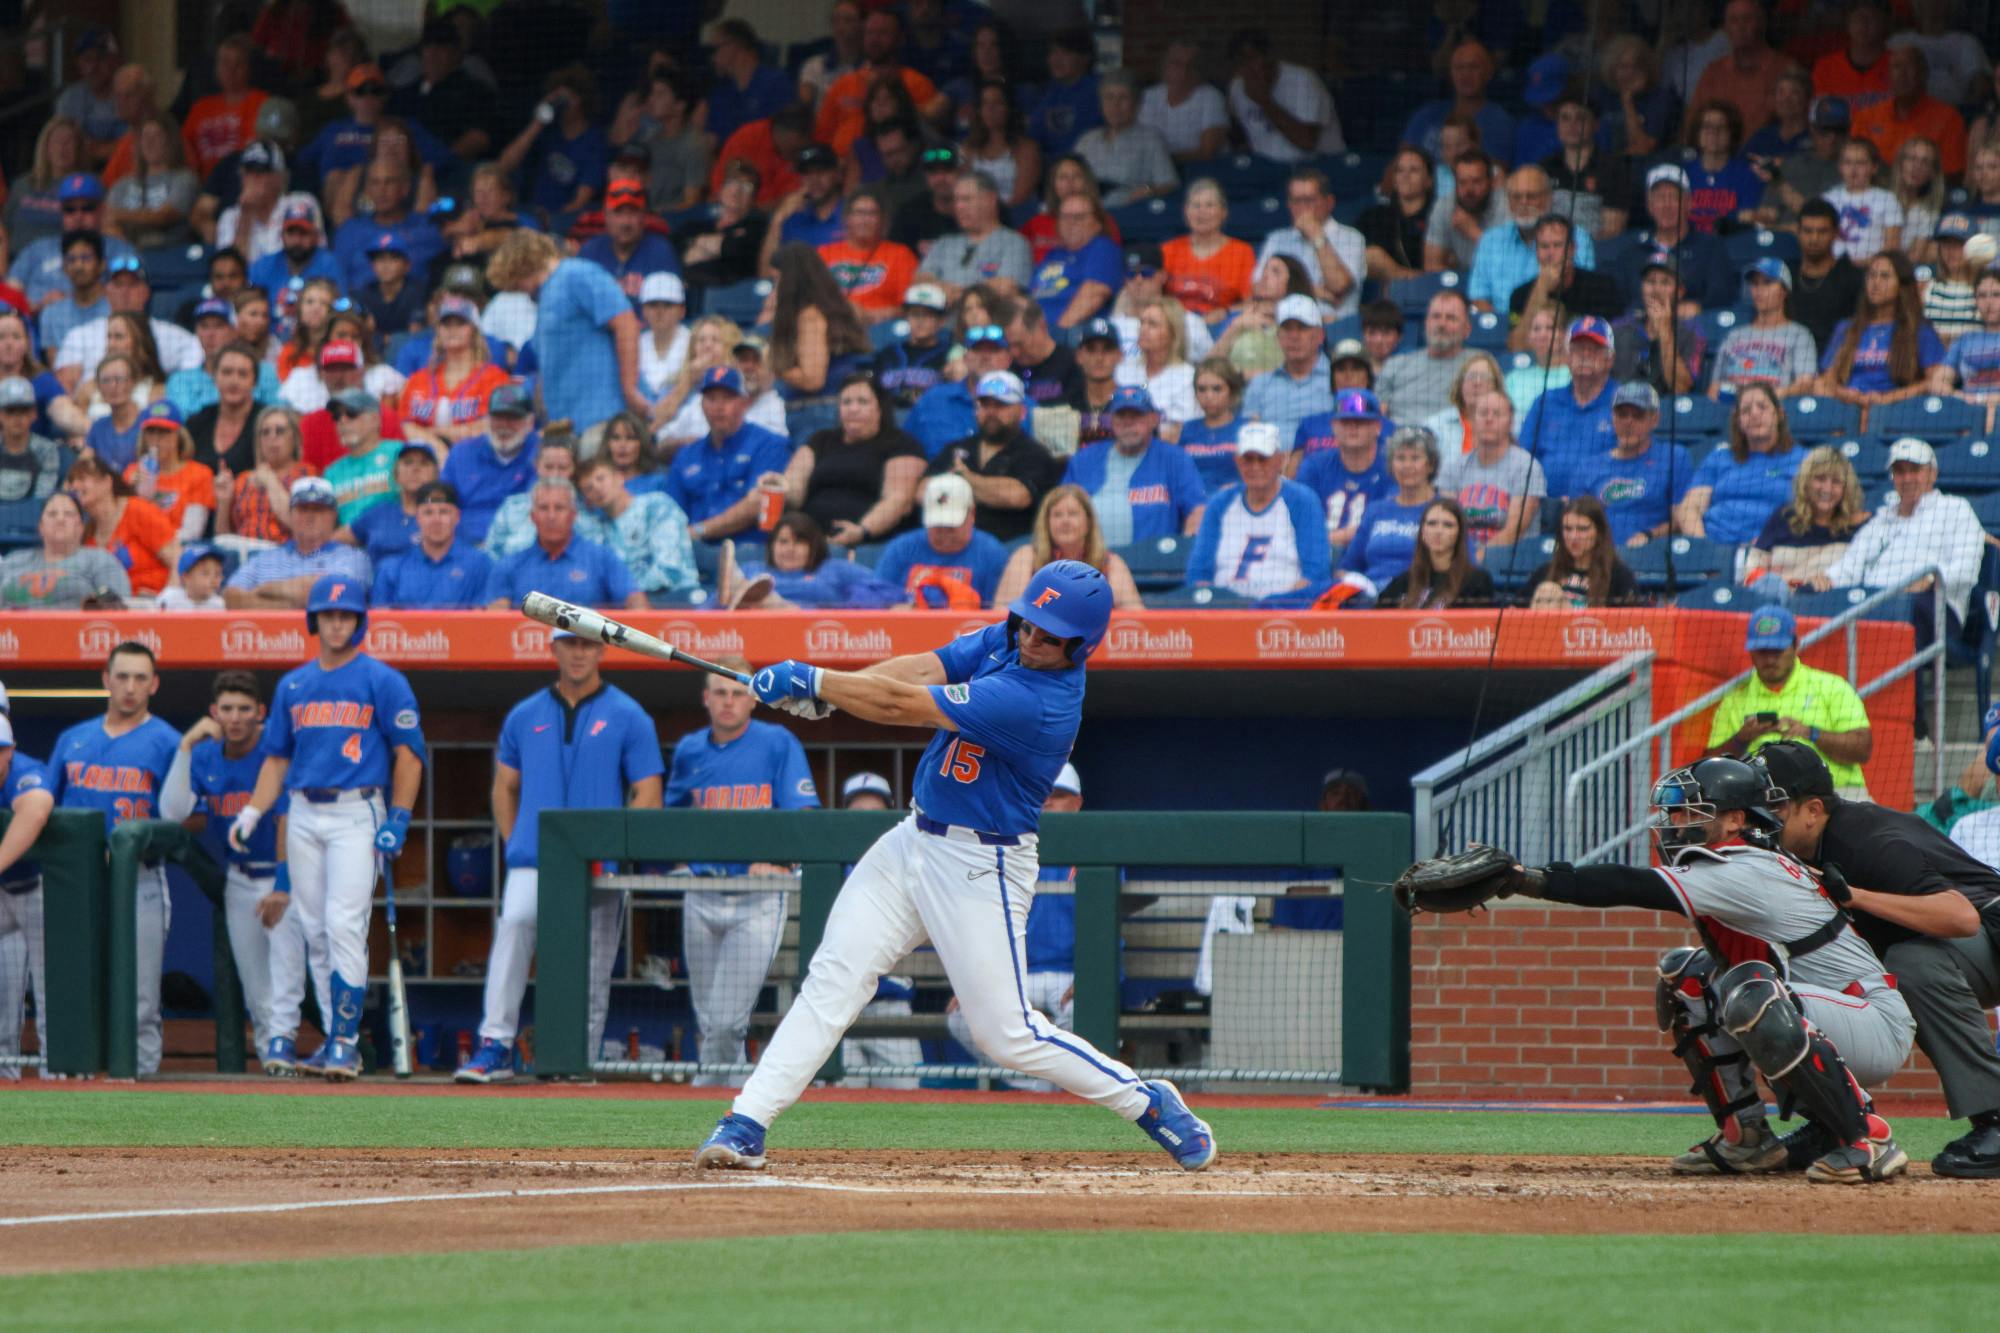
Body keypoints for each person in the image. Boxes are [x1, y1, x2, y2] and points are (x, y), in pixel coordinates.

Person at [698, 560, 1215, 1171]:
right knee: (834, 979)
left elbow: (901, 704)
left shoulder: (1040, 701)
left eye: (1049, 636)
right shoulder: (1011, 638)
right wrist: (833, 691)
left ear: (1081, 647)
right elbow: (922, 667)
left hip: (981, 863)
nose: (1031, 639)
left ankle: (1146, 1101)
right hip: (912, 839)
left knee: (1006, 1034)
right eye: (1028, 624)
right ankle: (746, 1121)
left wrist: (817, 681)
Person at [1400, 753, 1915, 1184]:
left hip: (1871, 1020)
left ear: (1735, 819)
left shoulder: (1744, 867)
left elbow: (1631, 886)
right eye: (1673, 814)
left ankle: (1869, 1138)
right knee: (1687, 977)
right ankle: (1748, 1139)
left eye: (1690, 812)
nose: (1674, 825)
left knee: (1747, 991)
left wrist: (1526, 879)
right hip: (1825, 1014)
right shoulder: (1739, 858)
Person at [1756, 738, 2000, 1179]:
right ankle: (1834, 1122)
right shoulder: (1797, 849)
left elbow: (1961, 917)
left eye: (1774, 807)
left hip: (1990, 924)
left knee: (1913, 964)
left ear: (1812, 810)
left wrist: (1857, 897)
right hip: (1965, 941)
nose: (1761, 819)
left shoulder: (1867, 838)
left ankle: (1995, 1118)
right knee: (1788, 978)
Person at [229, 578, 425, 1080]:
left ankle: (344, 1042)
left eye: (347, 615)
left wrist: (399, 818)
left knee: (343, 925)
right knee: (314, 930)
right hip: (303, 810)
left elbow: (409, 756)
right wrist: (253, 811)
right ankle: (339, 1041)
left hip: (357, 809)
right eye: (329, 615)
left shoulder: (382, 679)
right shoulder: (294, 683)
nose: (338, 623)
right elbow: (276, 759)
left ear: (359, 621)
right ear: (314, 620)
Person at [455, 630, 664, 1083]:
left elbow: (648, 792)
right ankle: (495, 1045)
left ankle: (577, 1056)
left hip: (599, 863)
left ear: (602, 650)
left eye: (588, 644)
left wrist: (616, 845)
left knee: (593, 964)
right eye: (570, 643)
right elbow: (503, 788)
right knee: (513, 929)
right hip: (536, 860)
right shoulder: (525, 713)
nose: (579, 652)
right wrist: (517, 842)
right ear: (554, 648)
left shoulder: (629, 714)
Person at [669, 660, 820, 1084]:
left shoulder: (776, 742)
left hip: (756, 896)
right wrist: (681, 862)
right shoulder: (689, 750)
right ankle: (731, 1096)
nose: (729, 701)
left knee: (726, 1020)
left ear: (753, 698)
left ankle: (708, 1092)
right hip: (703, 892)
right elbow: (671, 817)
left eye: (737, 692)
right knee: (709, 1019)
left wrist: (780, 860)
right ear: (706, 698)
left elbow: (803, 812)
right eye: (720, 692)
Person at [50, 643, 180, 1076]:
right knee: (77, 990)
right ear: (106, 679)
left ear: (155, 684)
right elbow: (46, 807)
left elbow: (184, 821)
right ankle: (74, 1084)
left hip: (139, 880)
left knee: (140, 996)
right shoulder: (73, 739)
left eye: (140, 678)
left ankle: (139, 1085)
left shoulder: (168, 741)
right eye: (121, 676)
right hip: (78, 887)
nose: (130, 687)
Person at [159, 673, 290, 1066]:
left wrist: (284, 883)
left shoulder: (275, 748)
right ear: (214, 713)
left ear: (260, 713)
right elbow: (172, 811)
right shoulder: (204, 754)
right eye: (227, 709)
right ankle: (274, 1063)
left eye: (244, 709)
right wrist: (184, 747)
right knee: (256, 987)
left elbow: (286, 818)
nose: (235, 718)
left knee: (293, 978)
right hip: (239, 878)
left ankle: (329, 1055)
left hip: (288, 876)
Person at [1811, 437, 1984, 635]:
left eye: (1915, 470)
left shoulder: (1955, 509)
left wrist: (1930, 579)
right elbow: (1850, 566)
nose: (1907, 478)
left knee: (1908, 608)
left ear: (1932, 474)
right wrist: (1828, 578)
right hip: (1874, 605)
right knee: (1820, 601)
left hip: (1932, 608)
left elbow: (1967, 570)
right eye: (1900, 471)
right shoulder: (1880, 520)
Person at [485, 230, 645, 443]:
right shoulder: (544, 299)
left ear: (523, 266)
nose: (520, 291)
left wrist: (630, 389)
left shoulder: (577, 273)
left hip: (602, 421)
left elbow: (626, 323)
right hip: (565, 428)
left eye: (516, 283)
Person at [1702, 605, 1874, 796]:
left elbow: (1862, 749)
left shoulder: (1832, 686)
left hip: (1837, 792)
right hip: (1763, 799)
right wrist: (1741, 739)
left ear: (1795, 645)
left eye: (1777, 650)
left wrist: (1811, 733)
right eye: (1762, 651)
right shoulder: (1734, 701)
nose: (1770, 660)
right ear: (1751, 652)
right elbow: (1710, 768)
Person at [1186, 423, 1329, 601]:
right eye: (1248, 459)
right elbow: (1198, 572)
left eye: (1262, 459)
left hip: (1283, 611)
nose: (1255, 467)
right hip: (1225, 610)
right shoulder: (1220, 503)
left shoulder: (1303, 501)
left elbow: (1315, 574)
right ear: (1237, 461)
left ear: (1280, 460)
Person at [920, 371, 1061, 544]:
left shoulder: (1034, 453)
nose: (992, 412)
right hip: (952, 543)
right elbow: (921, 492)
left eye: (1001, 405)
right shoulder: (958, 447)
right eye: (985, 404)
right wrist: (985, 490)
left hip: (1009, 546)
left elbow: (1017, 496)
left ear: (1022, 412)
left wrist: (962, 479)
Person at [1061, 385, 1206, 547]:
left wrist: (1186, 548)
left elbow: (1197, 510)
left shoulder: (1174, 459)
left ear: (1153, 419)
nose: (1128, 424)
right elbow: (1061, 510)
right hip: (1091, 564)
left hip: (1153, 565)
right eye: (1121, 416)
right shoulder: (1084, 460)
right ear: (1110, 420)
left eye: (1136, 416)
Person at [669, 367, 796, 547]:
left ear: (744, 403)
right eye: (711, 399)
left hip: (749, 548)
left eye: (728, 398)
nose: (719, 407)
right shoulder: (686, 456)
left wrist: (698, 531)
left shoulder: (769, 445)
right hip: (694, 552)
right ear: (701, 404)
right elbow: (672, 514)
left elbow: (758, 504)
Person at [1811, 250, 1945, 415]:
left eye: (1884, 276)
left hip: (1897, 411)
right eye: (1871, 275)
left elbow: (1936, 380)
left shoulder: (1919, 330)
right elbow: (1827, 380)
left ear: (1902, 285)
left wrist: (1888, 398)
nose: (1875, 283)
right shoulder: (1846, 328)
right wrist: (1846, 395)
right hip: (1847, 408)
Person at [482, 479, 645, 611]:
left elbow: (637, 604)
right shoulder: (509, 565)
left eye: (559, 508)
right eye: (544, 508)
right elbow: (495, 621)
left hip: (587, 648)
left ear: (573, 515)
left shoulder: (602, 558)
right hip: (527, 647)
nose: (551, 516)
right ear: (533, 517)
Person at [766, 243, 875, 442]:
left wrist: (774, 364)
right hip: (820, 413)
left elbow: (812, 379)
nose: (774, 289)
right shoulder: (831, 308)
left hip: (818, 414)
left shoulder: (810, 316)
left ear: (791, 281)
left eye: (776, 280)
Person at [0, 709, 54, 1079]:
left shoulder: (25, 770)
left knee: (52, 985)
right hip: (3, 896)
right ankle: (6, 1071)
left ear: (11, 750)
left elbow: (35, 811)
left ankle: (60, 1071)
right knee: (4, 990)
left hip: (39, 888)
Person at [223, 475, 372, 608]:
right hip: (272, 637)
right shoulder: (267, 558)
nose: (310, 516)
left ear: (333, 515)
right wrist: (290, 606)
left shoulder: (353, 557)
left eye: (318, 510)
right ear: (290, 514)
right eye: (303, 509)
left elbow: (325, 593)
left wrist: (263, 590)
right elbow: (231, 597)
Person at [1519, 316, 1618, 503]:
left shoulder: (1622, 403)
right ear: (1566, 357)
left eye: (1594, 350)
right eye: (1578, 350)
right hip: (1544, 506)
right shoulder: (1545, 401)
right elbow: (1523, 460)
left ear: (1609, 359)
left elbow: (1630, 465)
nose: (1585, 356)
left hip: (1602, 509)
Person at [875, 474, 1010, 608]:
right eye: (938, 526)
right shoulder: (901, 549)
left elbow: (996, 617)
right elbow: (875, 600)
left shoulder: (992, 555)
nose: (944, 533)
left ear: (972, 513)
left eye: (951, 526)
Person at [1437, 391, 1544, 561]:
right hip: (1459, 560)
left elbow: (1513, 531)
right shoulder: (1454, 467)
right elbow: (1446, 521)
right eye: (1483, 413)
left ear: (1511, 422)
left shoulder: (1526, 466)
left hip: (1508, 563)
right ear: (1471, 421)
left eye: (1497, 414)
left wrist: (1475, 560)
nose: (1489, 419)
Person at [722, 510, 902, 610]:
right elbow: (713, 606)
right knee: (738, 587)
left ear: (814, 546)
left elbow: (884, 590)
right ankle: (752, 596)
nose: (789, 548)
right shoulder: (752, 569)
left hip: (817, 632)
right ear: (772, 546)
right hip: (756, 633)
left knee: (768, 602)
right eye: (783, 541)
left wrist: (849, 604)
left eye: (799, 542)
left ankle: (769, 601)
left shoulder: (834, 569)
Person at [573, 454, 698, 597]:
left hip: (675, 597)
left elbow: (669, 568)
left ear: (619, 477)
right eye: (589, 488)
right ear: (587, 500)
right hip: (626, 605)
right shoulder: (597, 528)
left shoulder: (657, 505)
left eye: (601, 478)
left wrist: (626, 593)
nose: (597, 488)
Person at [1339, 427, 1441, 592]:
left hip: (1420, 594)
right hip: (1371, 597)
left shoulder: (1444, 510)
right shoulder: (1376, 510)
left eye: (1415, 458)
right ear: (1391, 465)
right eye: (1400, 458)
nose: (1407, 466)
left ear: (1430, 465)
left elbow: (1463, 565)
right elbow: (1349, 567)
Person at [1254, 168, 1362, 321]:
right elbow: (1259, 289)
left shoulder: (1351, 237)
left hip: (1333, 325)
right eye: (1296, 201)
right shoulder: (1276, 239)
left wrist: (1317, 237)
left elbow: (1338, 286)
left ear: (1329, 202)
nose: (1302, 208)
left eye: (1309, 200)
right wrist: (1315, 290)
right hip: (1282, 323)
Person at [69, 450, 178, 598]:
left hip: (154, 604)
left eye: (82, 478)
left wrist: (166, 600)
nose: (75, 485)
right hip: (113, 610)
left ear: (107, 483)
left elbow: (178, 559)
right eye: (72, 481)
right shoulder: (85, 534)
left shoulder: (137, 510)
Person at [1225, 26, 1341, 162]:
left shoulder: (1303, 80)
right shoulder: (1238, 86)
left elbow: (1307, 142)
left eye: (1252, 59)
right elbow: (1238, 134)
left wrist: (1264, 101)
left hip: (1315, 164)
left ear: (1269, 56)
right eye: (1242, 63)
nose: (1248, 68)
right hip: (1265, 168)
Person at [1631, 165, 1733, 314]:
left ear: (1689, 203)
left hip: (1695, 329)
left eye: (1674, 197)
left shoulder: (1711, 247)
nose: (1667, 205)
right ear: (1650, 205)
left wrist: (1699, 307)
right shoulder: (1633, 252)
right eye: (1660, 198)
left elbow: (1722, 297)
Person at [0, 491, 130, 608]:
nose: (60, 519)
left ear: (80, 527)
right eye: (52, 514)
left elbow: (119, 608)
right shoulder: (13, 560)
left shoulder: (101, 560)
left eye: (68, 514)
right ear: (41, 527)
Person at [1295, 389, 1390, 548]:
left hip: (1372, 554)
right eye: (1345, 422)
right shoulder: (1315, 466)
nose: (1352, 428)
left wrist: (1326, 540)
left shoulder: (1393, 469)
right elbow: (1299, 518)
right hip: (1321, 557)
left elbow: (1386, 522)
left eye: (1360, 422)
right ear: (1333, 426)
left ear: (1377, 427)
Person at [1854, 45, 1967, 179]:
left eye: (1910, 66)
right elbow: (1854, 167)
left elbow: (1952, 175)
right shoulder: (1867, 116)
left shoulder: (1949, 118)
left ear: (1924, 74)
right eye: (1897, 67)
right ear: (1889, 75)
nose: (1902, 74)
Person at [1711, 260, 1818, 400]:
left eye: (1767, 282)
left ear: (1784, 291)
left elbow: (1805, 384)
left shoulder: (1800, 335)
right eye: (1755, 284)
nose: (1759, 290)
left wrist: (1768, 398)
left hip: (1776, 410)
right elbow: (1714, 388)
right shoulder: (1734, 336)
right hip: (1733, 410)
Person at [918, 170, 1032, 300]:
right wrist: (945, 289)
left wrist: (951, 292)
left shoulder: (1014, 243)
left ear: (990, 200)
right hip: (942, 319)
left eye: (966, 199)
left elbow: (1007, 287)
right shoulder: (944, 243)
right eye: (956, 200)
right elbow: (919, 282)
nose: (959, 206)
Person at [1505, 214, 1622, 339]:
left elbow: (1613, 336)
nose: (1550, 253)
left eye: (1557, 245)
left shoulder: (1601, 287)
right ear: (1536, 251)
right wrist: (1541, 288)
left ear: (1572, 249)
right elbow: (1516, 345)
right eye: (1544, 246)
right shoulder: (1519, 295)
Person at [1074, 69, 1177, 209]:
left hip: (1128, 212)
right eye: (1109, 97)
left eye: (1123, 98)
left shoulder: (1150, 140)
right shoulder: (1086, 140)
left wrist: (1147, 191)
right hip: (1087, 211)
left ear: (1136, 104)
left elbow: (1169, 183)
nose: (1115, 105)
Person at [1242, 295, 1332, 452]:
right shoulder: (1260, 384)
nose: (1294, 336)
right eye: (1287, 328)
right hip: (1270, 468)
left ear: (1320, 336)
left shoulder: (1338, 379)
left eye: (1302, 328)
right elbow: (1248, 436)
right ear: (1278, 336)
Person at [1404, 39, 1513, 166]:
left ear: (1488, 72)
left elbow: (1494, 175)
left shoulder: (1500, 122)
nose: (1466, 74)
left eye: (1473, 67)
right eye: (1459, 67)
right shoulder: (1426, 115)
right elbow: (1399, 165)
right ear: (1451, 73)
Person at [1691, 0, 1790, 138]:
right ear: (1725, 28)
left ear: (1761, 24)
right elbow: (1693, 123)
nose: (1740, 27)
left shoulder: (1784, 70)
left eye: (1747, 19)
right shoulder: (1713, 72)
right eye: (1734, 20)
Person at [1378, 290, 1477, 425]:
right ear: (1426, 324)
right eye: (1436, 316)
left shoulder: (1478, 364)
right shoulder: (1396, 364)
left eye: (1451, 318)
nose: (1441, 324)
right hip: (1399, 439)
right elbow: (1377, 415)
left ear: (1467, 329)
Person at [1520, 497, 1640, 608]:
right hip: (1551, 630)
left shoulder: (1619, 576)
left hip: (1595, 629)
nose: (1573, 537)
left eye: (1582, 529)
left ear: (1599, 532)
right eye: (1567, 529)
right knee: (1548, 591)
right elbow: (1514, 610)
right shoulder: (1545, 572)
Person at [1164, 180, 1257, 322]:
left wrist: (1225, 312)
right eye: (1196, 206)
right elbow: (1151, 296)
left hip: (1220, 326)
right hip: (1175, 326)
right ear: (1186, 212)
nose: (1202, 212)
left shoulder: (1242, 252)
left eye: (1210, 205)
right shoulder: (1168, 250)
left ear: (1223, 212)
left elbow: (1250, 303)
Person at [1377, 497, 1494, 608]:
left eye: (1448, 525)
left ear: (1459, 533)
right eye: (1432, 523)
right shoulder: (1403, 582)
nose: (1438, 531)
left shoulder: (1477, 581)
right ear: (1422, 531)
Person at [216, 405, 308, 545]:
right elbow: (224, 539)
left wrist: (270, 481)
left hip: (285, 554)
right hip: (244, 556)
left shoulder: (306, 475)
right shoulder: (243, 479)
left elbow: (302, 528)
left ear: (294, 437)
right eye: (265, 432)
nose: (272, 437)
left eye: (280, 431)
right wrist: (224, 502)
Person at [1029, 195, 1123, 331]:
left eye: (1079, 217)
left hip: (1071, 334)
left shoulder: (1102, 248)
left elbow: (1094, 294)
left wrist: (1057, 333)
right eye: (1065, 217)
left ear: (1097, 224)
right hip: (1033, 333)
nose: (1070, 222)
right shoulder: (1053, 254)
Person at [124, 402, 214, 542]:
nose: (156, 440)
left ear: (178, 436)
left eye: (164, 432)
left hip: (177, 550)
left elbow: (192, 532)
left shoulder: (199, 474)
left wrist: (155, 542)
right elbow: (124, 524)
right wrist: (131, 492)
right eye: (151, 432)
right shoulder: (132, 472)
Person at [106, 113, 199, 250]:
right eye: (145, 136)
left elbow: (164, 216)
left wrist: (119, 214)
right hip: (127, 254)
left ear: (170, 141)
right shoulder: (122, 184)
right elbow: (107, 220)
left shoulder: (184, 178)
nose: (150, 142)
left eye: (157, 136)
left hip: (169, 253)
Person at [1787, 200, 1866, 351]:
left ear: (1836, 233)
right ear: (1798, 232)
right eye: (1808, 231)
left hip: (1837, 356)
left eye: (1822, 231)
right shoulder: (1786, 275)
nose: (1814, 239)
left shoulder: (1853, 277)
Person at [1682, 100, 1764, 233]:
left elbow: (1747, 218)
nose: (1714, 132)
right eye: (1707, 126)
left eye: (1721, 127)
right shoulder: (1683, 173)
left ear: (1731, 134)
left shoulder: (1747, 174)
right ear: (1697, 133)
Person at [1142, 41, 1229, 165]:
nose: (1184, 71)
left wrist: (1163, 161)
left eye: (1191, 65)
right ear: (1165, 67)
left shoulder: (1211, 97)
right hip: (1156, 172)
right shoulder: (1148, 97)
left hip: (1200, 171)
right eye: (1176, 64)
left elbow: (1207, 151)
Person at [1424, 148, 1506, 274]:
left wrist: (1474, 232)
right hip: (1460, 283)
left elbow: (1510, 264)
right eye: (1462, 182)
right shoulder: (1445, 206)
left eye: (1476, 182)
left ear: (1492, 183)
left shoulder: (1506, 205)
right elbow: (1432, 266)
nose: (1469, 190)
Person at [1823, 138, 1903, 262]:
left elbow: (1892, 246)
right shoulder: (1827, 199)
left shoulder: (1887, 199)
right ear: (1840, 167)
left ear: (1874, 167)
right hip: (1832, 268)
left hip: (1873, 270)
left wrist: (1864, 264)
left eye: (1860, 163)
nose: (1854, 169)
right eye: (1848, 162)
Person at [1177, 357, 1248, 494]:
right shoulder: (1187, 430)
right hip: (1193, 506)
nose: (1209, 396)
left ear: (1232, 391)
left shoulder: (1246, 429)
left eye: (1217, 389)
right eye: (1202, 389)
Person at [0, 375, 72, 507]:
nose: (17, 418)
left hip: (30, 523)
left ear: (34, 413)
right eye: (10, 411)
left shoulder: (46, 450)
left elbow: (40, 501)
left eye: (23, 410)